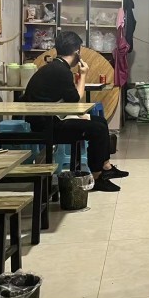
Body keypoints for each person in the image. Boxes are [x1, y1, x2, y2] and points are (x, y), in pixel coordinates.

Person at [22, 32, 128, 192]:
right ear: (77, 52)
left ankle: (106, 167)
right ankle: (98, 178)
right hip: (47, 126)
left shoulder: (55, 67)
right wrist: (83, 75)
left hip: (49, 118)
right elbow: (74, 100)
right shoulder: (61, 71)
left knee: (99, 121)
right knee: (97, 129)